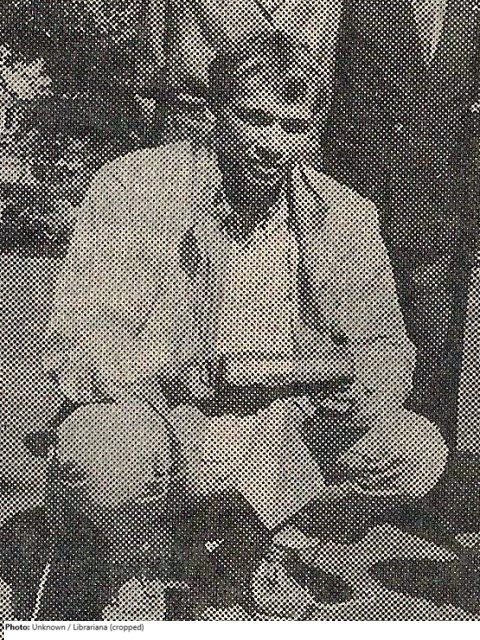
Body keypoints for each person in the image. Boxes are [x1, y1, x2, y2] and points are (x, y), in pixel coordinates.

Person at [44, 30, 447, 580]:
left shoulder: (342, 214)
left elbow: (387, 348)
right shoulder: (135, 189)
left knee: (414, 447)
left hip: (288, 428)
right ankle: (139, 570)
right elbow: (74, 349)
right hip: (168, 422)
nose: (274, 145)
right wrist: (175, 374)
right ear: (215, 115)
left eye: (295, 127)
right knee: (107, 455)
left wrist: (356, 392)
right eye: (255, 119)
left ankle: (262, 549)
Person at [325, 0, 480, 442]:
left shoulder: (471, 17)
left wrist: (468, 222)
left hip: (443, 227)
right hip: (372, 217)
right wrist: (344, 218)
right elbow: (345, 116)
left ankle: (428, 477)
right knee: (367, 356)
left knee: (434, 363)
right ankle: (355, 468)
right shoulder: (368, 10)